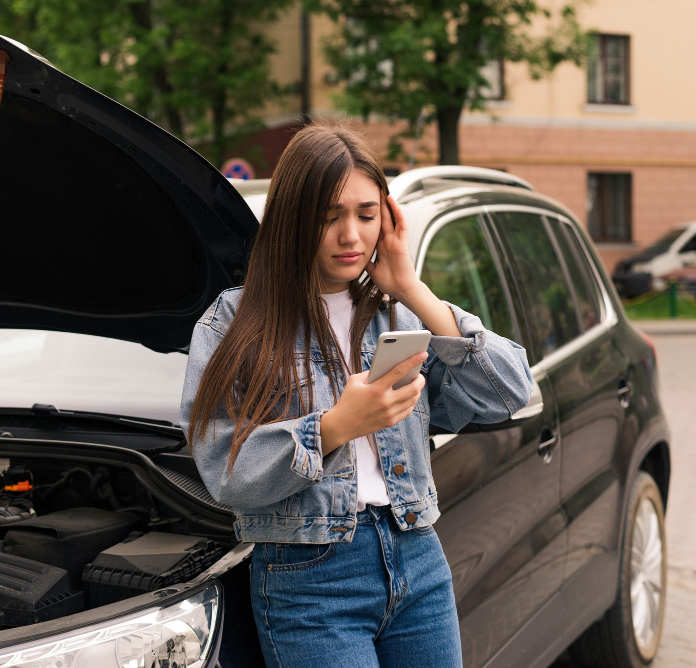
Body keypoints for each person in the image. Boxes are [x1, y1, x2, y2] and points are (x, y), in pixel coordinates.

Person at [178, 119, 534, 668]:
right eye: (328, 218)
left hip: (417, 558)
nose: (351, 236)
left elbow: (510, 391)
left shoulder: (398, 312)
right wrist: (334, 427)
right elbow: (226, 470)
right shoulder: (234, 322)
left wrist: (411, 285)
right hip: (310, 579)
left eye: (367, 216)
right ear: (292, 221)